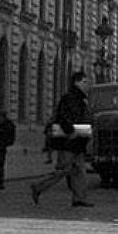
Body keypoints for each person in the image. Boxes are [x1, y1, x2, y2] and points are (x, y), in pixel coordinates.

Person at [31, 71, 94, 207]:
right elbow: (63, 117)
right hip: (69, 141)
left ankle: (79, 198)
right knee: (63, 170)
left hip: (78, 141)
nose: (87, 85)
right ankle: (38, 186)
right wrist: (71, 131)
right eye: (84, 82)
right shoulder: (70, 98)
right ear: (76, 82)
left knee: (79, 171)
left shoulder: (81, 99)